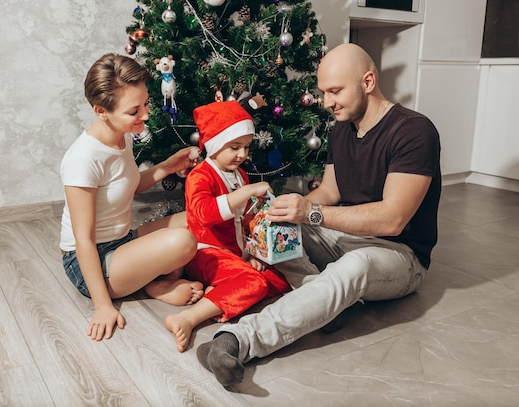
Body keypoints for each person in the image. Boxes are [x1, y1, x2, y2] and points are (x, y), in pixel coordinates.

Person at [196, 43, 442, 387]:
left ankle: (238, 341)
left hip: (399, 255)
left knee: (356, 265)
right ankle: (324, 303)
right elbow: (329, 193)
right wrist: (287, 211)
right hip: (347, 237)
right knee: (277, 224)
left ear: (368, 82)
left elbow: (393, 219)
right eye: (324, 92)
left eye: (335, 91)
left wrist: (310, 213)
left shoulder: (414, 131)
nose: (327, 102)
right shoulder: (341, 128)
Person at [60, 53, 204, 342]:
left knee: (195, 219)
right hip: (90, 261)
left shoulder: (122, 134)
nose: (146, 115)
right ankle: (159, 285)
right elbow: (83, 240)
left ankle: (155, 281)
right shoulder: (82, 159)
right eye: (134, 110)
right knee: (184, 242)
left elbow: (127, 186)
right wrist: (102, 306)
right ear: (101, 111)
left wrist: (167, 167)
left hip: (121, 241)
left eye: (146, 104)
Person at [164, 100, 291, 352]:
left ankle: (222, 293)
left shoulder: (240, 175)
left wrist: (254, 253)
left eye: (245, 147)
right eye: (234, 147)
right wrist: (247, 192)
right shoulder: (200, 175)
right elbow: (205, 213)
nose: (242, 155)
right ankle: (187, 318)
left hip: (236, 251)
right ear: (215, 144)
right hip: (205, 252)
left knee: (279, 280)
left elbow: (246, 218)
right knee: (255, 283)